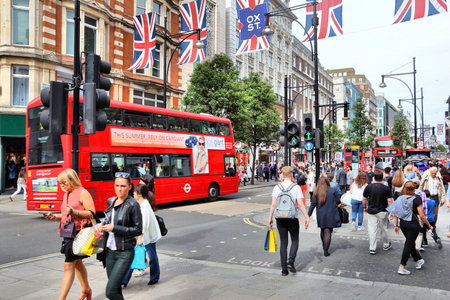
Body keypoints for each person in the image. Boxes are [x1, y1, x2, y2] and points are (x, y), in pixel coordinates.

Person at [43, 169, 95, 300]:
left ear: (72, 180)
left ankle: (61, 298)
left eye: (64, 182)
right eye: (60, 183)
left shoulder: (83, 192)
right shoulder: (67, 194)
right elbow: (66, 214)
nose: (62, 185)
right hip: (68, 232)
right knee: (76, 263)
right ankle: (86, 290)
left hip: (79, 232)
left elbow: (92, 213)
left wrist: (75, 212)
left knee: (68, 264)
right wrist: (55, 216)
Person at [101, 172, 142, 300]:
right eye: (117, 185)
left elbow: (138, 229)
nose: (119, 189)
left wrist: (115, 228)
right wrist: (100, 224)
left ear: (130, 187)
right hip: (109, 252)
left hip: (124, 253)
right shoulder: (111, 201)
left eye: (123, 186)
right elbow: (109, 219)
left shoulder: (133, 204)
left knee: (110, 292)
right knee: (116, 290)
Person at [268, 166, 309, 276]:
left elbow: (273, 204)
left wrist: (270, 217)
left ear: (282, 175)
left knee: (283, 243)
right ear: (291, 175)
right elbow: (300, 204)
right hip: (292, 217)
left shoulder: (277, 187)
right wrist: (307, 217)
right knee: (295, 240)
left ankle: (284, 270)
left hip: (280, 218)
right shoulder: (296, 187)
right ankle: (290, 261)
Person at [122, 184, 162, 287]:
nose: (133, 194)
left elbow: (144, 224)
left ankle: (154, 277)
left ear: (139, 194)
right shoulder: (142, 203)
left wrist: (140, 238)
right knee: (138, 255)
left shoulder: (144, 206)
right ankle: (124, 280)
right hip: (146, 235)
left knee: (150, 256)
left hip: (148, 236)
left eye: (134, 192)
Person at [390, 181, 433, 275]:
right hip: (413, 224)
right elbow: (421, 215)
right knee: (408, 244)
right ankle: (402, 266)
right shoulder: (417, 198)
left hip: (403, 224)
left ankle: (418, 261)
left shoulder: (400, 198)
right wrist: (429, 225)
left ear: (405, 189)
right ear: (414, 189)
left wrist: (396, 225)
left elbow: (396, 212)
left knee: (410, 243)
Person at [308, 177, 342, 257]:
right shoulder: (333, 190)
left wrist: (308, 215)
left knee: (323, 230)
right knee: (328, 231)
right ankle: (326, 250)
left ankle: (324, 245)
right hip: (331, 214)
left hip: (321, 215)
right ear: (327, 182)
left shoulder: (316, 192)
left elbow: (313, 205)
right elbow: (338, 202)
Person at [363, 170, 394, 255]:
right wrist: (392, 212)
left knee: (372, 229)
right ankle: (386, 244)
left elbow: (364, 199)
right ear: (383, 178)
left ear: (373, 178)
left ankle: (372, 248)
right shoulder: (386, 188)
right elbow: (390, 201)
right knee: (384, 229)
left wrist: (365, 207)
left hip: (371, 210)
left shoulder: (369, 187)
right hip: (382, 211)